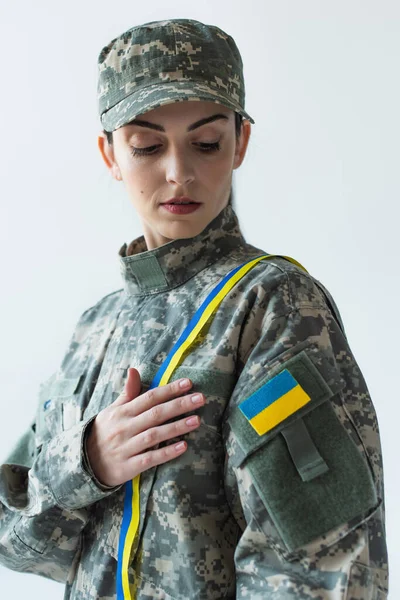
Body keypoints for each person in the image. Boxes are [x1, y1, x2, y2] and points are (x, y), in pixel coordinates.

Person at [0, 18, 388, 600]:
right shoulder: (94, 328)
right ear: (110, 153)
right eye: (147, 146)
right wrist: (88, 462)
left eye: (206, 143)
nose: (178, 172)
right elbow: (18, 540)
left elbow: (320, 567)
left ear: (241, 143)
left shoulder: (270, 304)